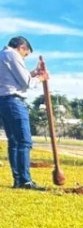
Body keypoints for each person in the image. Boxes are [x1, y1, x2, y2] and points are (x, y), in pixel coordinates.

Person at [0, 36, 48, 189]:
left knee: (14, 141)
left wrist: (34, 72)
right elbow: (26, 83)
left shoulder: (2, 55)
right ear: (21, 47)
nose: (24, 58)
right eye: (25, 55)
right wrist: (40, 78)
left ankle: (19, 180)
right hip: (14, 101)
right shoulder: (13, 55)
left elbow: (17, 77)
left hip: (4, 101)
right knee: (24, 141)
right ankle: (25, 180)